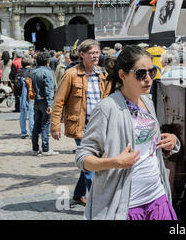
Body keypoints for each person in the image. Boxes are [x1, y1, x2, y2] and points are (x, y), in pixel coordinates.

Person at [75, 45, 180, 220]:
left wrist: (172, 141)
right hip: (125, 205)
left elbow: (149, 148)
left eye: (152, 72)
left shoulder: (147, 100)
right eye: (140, 73)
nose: (148, 79)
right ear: (123, 75)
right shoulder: (107, 108)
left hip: (157, 197)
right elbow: (82, 158)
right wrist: (115, 162)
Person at [51, 39, 111, 206]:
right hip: (81, 126)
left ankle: (78, 194)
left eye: (97, 53)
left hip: (99, 124)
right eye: (92, 53)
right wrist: (55, 126)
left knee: (90, 160)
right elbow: (58, 101)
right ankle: (97, 200)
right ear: (82, 55)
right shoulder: (71, 74)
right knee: (91, 162)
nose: (95, 56)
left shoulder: (102, 74)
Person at [31, 52, 58, 156]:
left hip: (36, 101)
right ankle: (45, 148)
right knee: (45, 125)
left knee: (36, 126)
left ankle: (35, 148)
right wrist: (50, 104)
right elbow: (49, 89)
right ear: (47, 62)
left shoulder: (33, 72)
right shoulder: (47, 72)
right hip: (45, 102)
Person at [18, 57, 35, 139]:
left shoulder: (19, 72)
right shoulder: (32, 72)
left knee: (22, 113)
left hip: (21, 95)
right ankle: (32, 132)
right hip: (30, 94)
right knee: (31, 113)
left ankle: (23, 132)